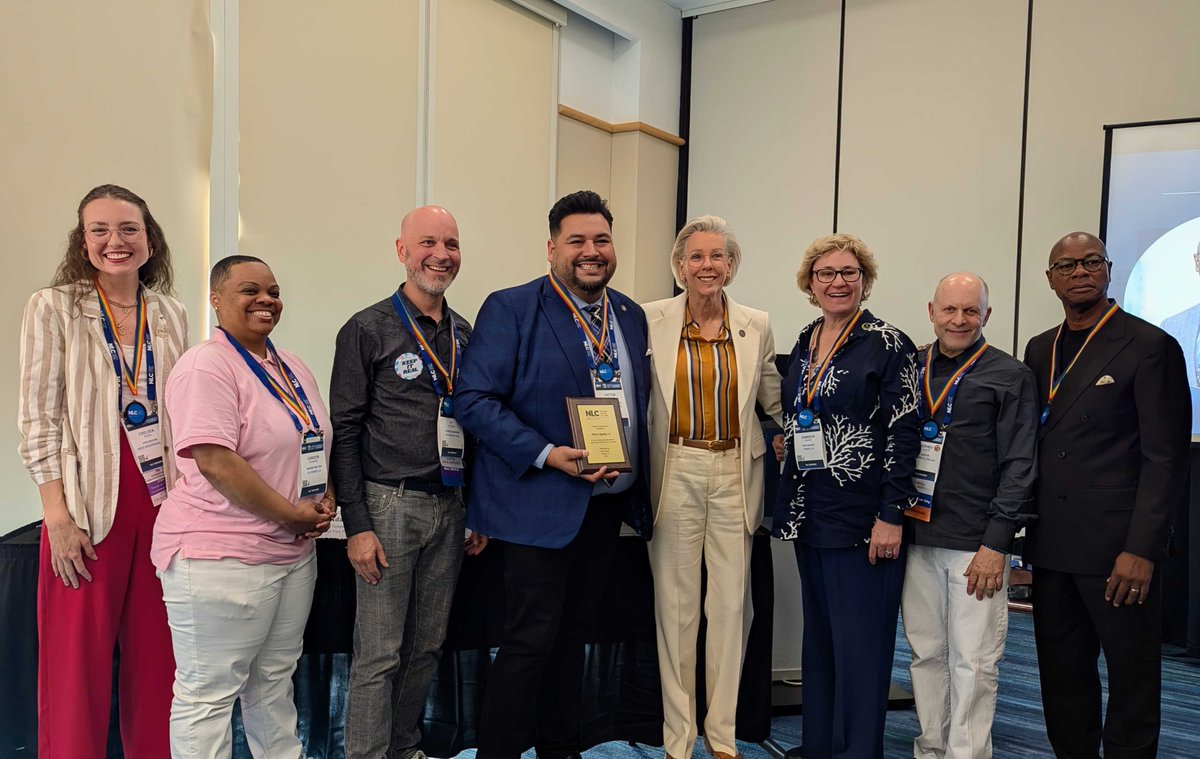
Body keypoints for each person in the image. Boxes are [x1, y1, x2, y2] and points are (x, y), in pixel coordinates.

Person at [455, 190, 652, 759]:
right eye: (577, 241)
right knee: (530, 641)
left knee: (574, 639)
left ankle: (560, 749)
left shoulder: (630, 315)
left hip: (606, 506)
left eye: (602, 240)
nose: (592, 251)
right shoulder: (513, 307)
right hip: (537, 503)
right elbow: (474, 400)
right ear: (551, 249)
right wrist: (545, 452)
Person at [18, 184, 187, 758]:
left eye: (129, 229)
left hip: (162, 503)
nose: (116, 241)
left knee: (160, 664)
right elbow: (38, 419)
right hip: (86, 508)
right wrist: (56, 516)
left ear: (149, 239)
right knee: (75, 671)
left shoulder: (170, 313)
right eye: (100, 230)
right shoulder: (53, 307)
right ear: (83, 240)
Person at [151, 255, 336, 756]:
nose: (266, 300)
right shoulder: (205, 366)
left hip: (291, 554)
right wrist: (290, 514)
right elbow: (215, 461)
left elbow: (313, 442)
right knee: (208, 696)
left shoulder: (290, 365)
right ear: (215, 299)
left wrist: (323, 497)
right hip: (220, 556)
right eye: (250, 290)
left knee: (273, 683)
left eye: (273, 291)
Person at [1022, 232, 1190, 758]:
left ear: (1109, 269)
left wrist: (1142, 550)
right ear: (1050, 279)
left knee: (1131, 679)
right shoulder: (1039, 348)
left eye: (1091, 261)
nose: (1080, 272)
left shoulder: (1149, 345)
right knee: (1062, 677)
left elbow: (1165, 459)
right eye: (1067, 265)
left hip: (1118, 550)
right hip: (1052, 547)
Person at [331, 205, 486, 759]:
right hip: (388, 505)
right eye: (427, 243)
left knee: (426, 647)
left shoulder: (466, 334)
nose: (440, 255)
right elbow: (345, 432)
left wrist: (476, 509)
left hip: (451, 505)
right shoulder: (367, 328)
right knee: (379, 654)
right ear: (402, 251)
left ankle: (402, 748)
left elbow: (478, 426)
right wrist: (357, 525)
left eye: (451, 244)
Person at [771, 232, 921, 759]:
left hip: (863, 519)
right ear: (810, 284)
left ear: (864, 280)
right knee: (820, 642)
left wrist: (891, 515)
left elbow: (905, 432)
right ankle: (820, 745)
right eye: (826, 273)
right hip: (808, 511)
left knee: (861, 650)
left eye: (848, 273)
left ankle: (858, 751)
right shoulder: (808, 336)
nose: (837, 282)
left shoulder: (888, 343)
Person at [642, 215, 782, 759]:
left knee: (728, 610)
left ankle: (721, 736)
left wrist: (800, 434)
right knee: (676, 611)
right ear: (679, 266)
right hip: (675, 468)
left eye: (717, 256)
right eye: (696, 257)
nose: (707, 266)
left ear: (731, 264)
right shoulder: (649, 319)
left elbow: (774, 398)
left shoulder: (755, 324)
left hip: (734, 471)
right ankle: (678, 738)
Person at [901, 272, 1038, 759]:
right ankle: (930, 750)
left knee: (974, 663)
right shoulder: (910, 368)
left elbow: (1021, 466)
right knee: (925, 655)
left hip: (976, 545)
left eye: (970, 311)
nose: (959, 320)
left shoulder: (1010, 375)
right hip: (916, 537)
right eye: (950, 309)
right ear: (931, 311)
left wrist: (997, 543)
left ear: (987, 315)